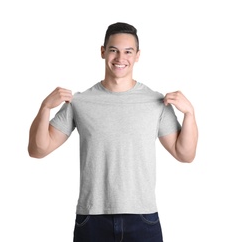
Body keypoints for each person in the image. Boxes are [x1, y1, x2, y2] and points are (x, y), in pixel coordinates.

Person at [28, 22, 198, 242]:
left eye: (128, 51)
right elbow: (38, 150)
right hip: (92, 218)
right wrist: (44, 108)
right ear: (102, 52)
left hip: (143, 217)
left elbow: (185, 154)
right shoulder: (80, 102)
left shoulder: (156, 102)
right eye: (113, 50)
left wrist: (190, 115)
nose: (120, 58)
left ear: (137, 56)